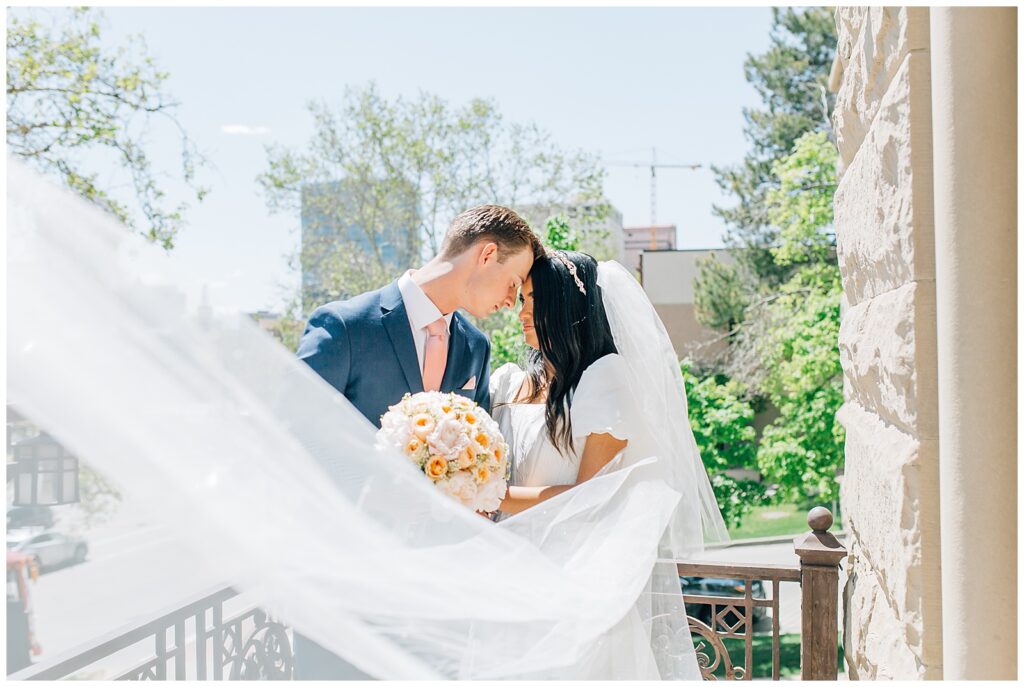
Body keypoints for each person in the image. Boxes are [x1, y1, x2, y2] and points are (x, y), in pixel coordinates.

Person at [291, 204, 541, 678]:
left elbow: (481, 470)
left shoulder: (475, 347)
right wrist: (374, 486)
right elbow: (290, 437)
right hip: (345, 591)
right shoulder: (345, 326)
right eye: (513, 283)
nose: (513, 301)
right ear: (487, 255)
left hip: (436, 603)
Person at [490, 250, 728, 678]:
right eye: (522, 299)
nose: (521, 312)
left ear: (565, 308)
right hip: (509, 574)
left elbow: (589, 495)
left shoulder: (604, 381)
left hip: (575, 578)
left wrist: (494, 496)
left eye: (532, 300)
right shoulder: (511, 382)